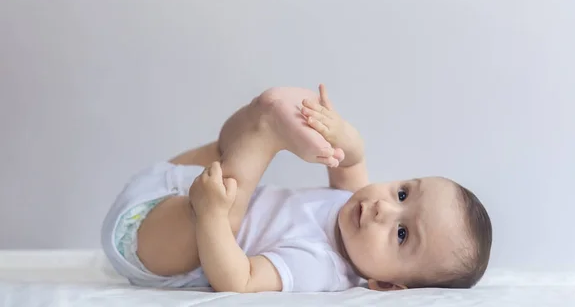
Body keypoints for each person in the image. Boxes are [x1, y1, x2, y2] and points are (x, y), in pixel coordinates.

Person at [101, 85, 492, 292]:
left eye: (402, 234)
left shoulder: (320, 265)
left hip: (153, 243)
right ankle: (262, 115)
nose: (383, 209)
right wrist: (340, 134)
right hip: (171, 181)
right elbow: (351, 159)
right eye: (403, 193)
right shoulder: (352, 204)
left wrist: (212, 217)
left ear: (387, 284)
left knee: (230, 201)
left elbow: (239, 281)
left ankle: (268, 127)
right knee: (228, 151)